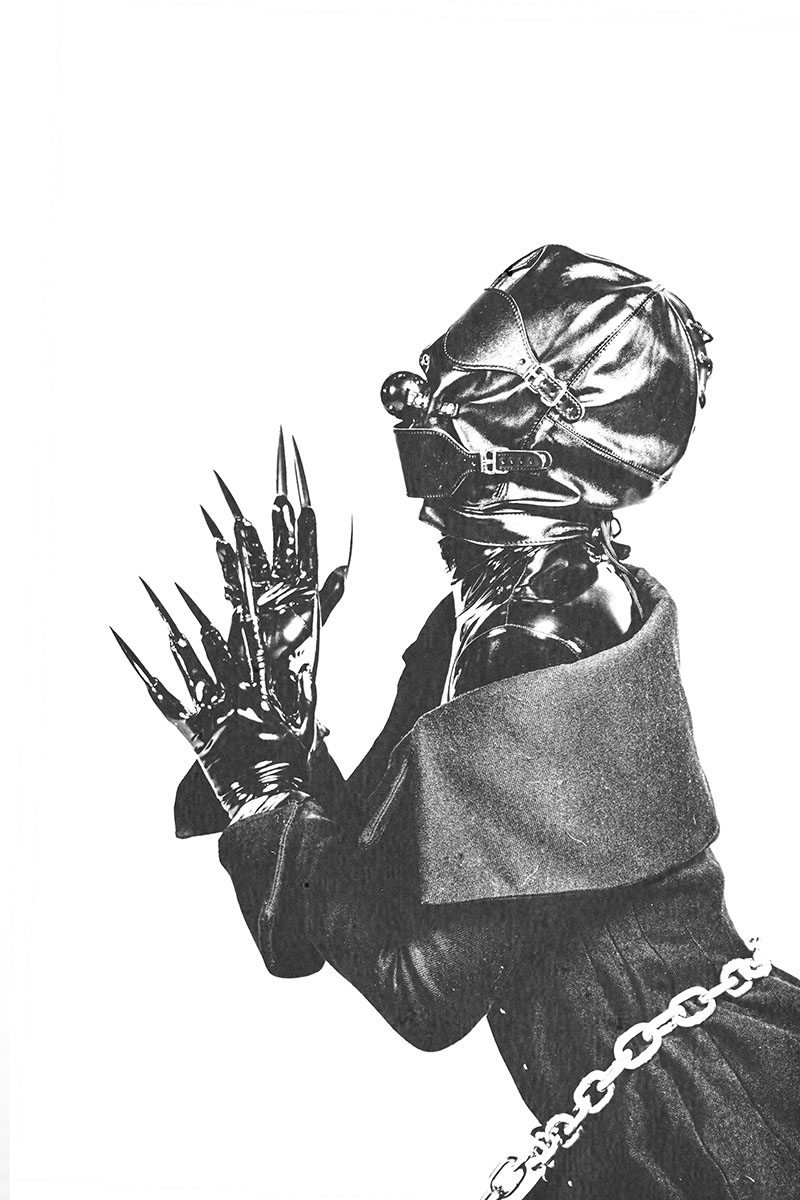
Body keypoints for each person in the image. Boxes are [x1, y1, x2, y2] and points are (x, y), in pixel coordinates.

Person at [116, 245, 800, 1198]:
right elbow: (331, 911)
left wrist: (267, 795)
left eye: (437, 451)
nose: (423, 496)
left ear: (530, 457)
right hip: (643, 1113)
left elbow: (423, 991)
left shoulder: (545, 631)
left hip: (696, 1123)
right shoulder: (478, 619)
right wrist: (288, 734)